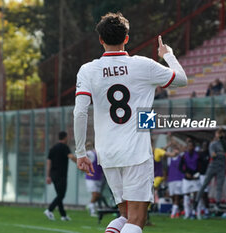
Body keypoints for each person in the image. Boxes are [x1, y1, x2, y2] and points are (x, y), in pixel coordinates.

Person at [73, 12, 187, 233]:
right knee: (137, 219)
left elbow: (80, 112)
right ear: (127, 38)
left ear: (101, 40)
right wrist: (168, 55)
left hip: (107, 152)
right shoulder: (143, 65)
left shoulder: (87, 70)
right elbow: (181, 80)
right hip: (136, 151)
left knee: (125, 216)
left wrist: (80, 152)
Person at [44, 131, 77, 221]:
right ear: (65, 138)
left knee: (59, 195)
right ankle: (49, 210)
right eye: (68, 137)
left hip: (53, 175)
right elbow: (70, 156)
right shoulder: (64, 147)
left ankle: (63, 215)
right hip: (61, 175)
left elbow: (48, 162)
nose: (68, 139)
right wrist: (79, 162)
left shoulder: (53, 148)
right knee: (61, 195)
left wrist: (48, 176)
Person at [194, 129, 226, 215]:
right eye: (219, 133)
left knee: (219, 186)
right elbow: (213, 155)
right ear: (216, 134)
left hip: (221, 167)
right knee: (205, 184)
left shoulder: (224, 144)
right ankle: (196, 201)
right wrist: (220, 154)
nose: (220, 135)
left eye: (222, 133)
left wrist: (220, 153)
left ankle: (218, 203)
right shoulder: (213, 144)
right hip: (213, 166)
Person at [179, 140, 201, 219]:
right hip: (186, 179)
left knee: (197, 196)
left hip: (195, 178)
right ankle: (187, 214)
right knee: (186, 196)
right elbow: (180, 167)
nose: (190, 148)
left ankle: (197, 213)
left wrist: (197, 173)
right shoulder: (184, 155)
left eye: (191, 146)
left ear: (194, 147)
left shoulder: (198, 155)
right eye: (189, 146)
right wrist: (185, 173)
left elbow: (200, 166)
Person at [85, 141, 104, 217]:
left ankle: (90, 205)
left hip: (99, 177)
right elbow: (81, 153)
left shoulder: (101, 153)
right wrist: (86, 146)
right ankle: (92, 210)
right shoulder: (91, 153)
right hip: (91, 178)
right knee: (95, 194)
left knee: (98, 195)